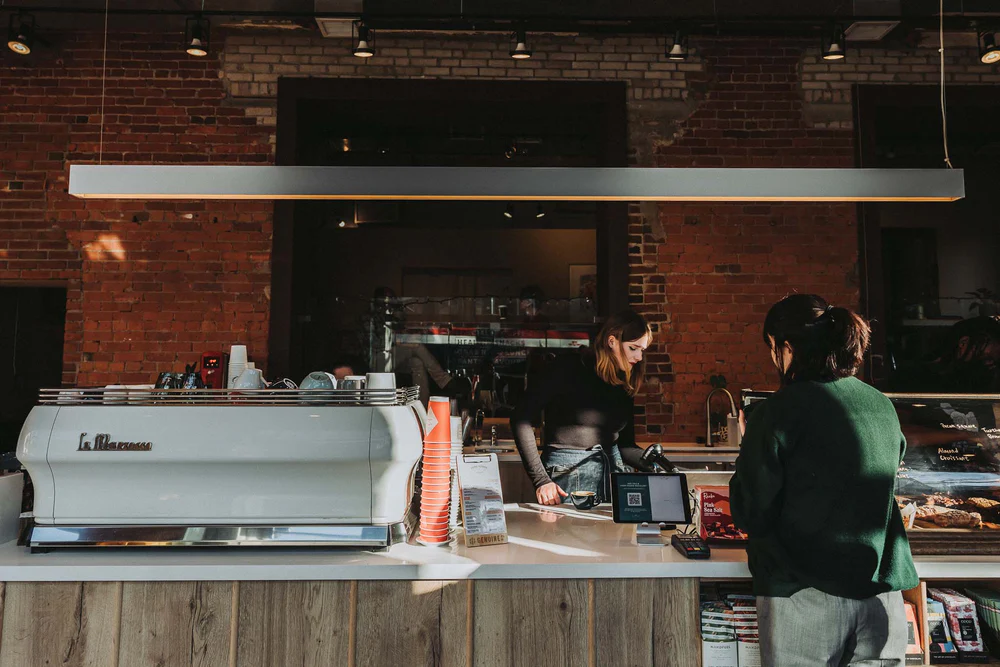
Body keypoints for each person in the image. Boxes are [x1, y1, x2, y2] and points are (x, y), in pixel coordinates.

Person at [730, 294, 918, 666]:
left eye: (772, 348)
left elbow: (751, 512)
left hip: (804, 594)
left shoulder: (777, 411)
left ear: (786, 347)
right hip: (882, 594)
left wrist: (748, 442)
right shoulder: (880, 404)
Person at [510, 309, 651, 505]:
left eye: (642, 350)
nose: (639, 357)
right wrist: (541, 480)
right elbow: (520, 419)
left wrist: (659, 466)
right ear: (612, 341)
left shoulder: (623, 382)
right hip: (568, 476)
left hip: (613, 475)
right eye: (633, 348)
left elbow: (625, 445)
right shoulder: (566, 368)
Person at [891, 315, 1000, 393]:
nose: (990, 365)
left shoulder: (982, 381)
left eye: (994, 362)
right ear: (963, 343)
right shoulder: (912, 377)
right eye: (986, 358)